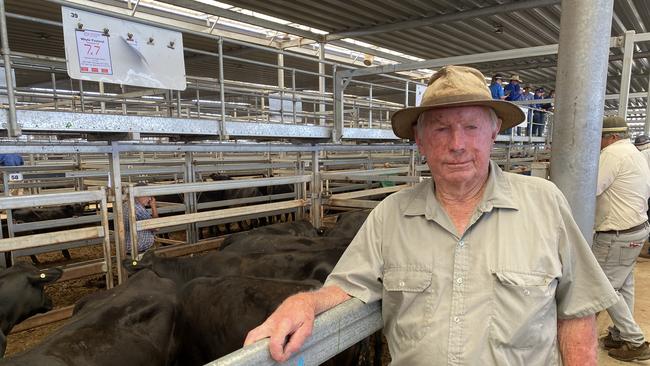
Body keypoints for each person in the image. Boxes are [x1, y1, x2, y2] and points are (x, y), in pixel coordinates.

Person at [245, 65, 617, 365]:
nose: (457, 144)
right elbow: (346, 286)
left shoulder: (545, 204)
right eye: (441, 129)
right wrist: (303, 303)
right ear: (420, 141)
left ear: (493, 131)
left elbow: (576, 310)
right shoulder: (391, 215)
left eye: (471, 127)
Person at [595, 117, 650, 362]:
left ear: (612, 136)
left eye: (600, 137)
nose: (597, 143)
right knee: (622, 285)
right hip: (635, 229)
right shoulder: (633, 152)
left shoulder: (612, 155)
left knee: (604, 288)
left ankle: (635, 341)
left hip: (617, 234)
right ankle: (619, 335)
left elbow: (590, 187)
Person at [123, 183, 159, 258]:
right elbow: (156, 227)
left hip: (133, 251)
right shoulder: (137, 208)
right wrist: (154, 207)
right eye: (148, 196)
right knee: (140, 269)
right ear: (140, 195)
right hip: (138, 253)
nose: (150, 199)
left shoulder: (128, 205)